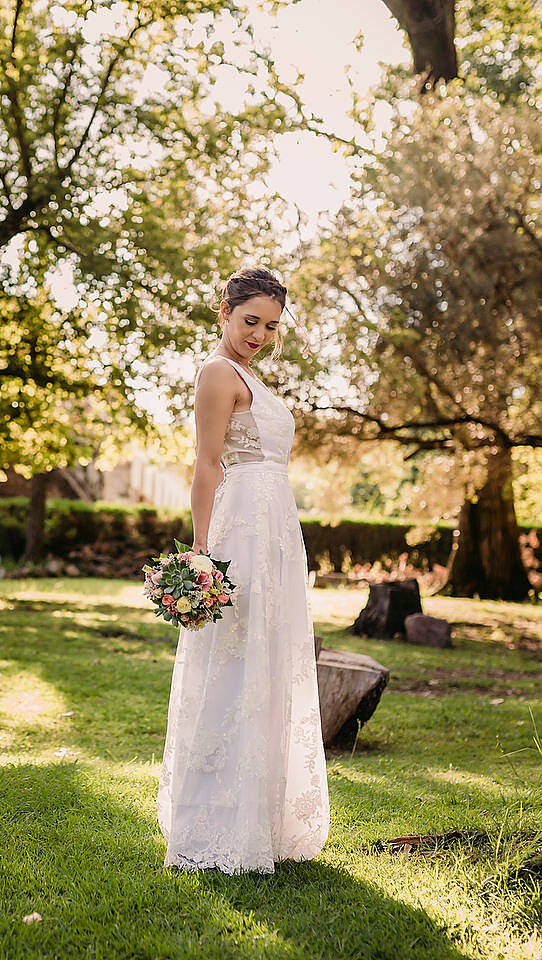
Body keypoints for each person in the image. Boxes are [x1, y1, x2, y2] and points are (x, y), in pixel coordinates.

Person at [156, 266, 330, 874]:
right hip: (240, 531)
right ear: (224, 312)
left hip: (277, 528)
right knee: (234, 662)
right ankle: (213, 823)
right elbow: (205, 464)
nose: (259, 334)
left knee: (269, 663)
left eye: (271, 326)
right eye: (250, 320)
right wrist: (203, 552)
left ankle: (262, 818)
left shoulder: (252, 377)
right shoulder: (215, 373)